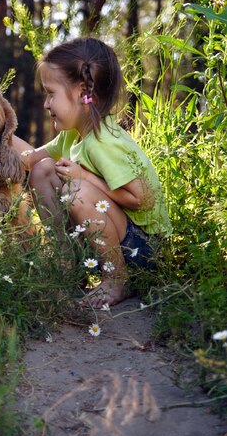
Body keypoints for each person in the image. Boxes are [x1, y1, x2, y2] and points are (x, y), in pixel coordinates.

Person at [13, 37, 171, 307]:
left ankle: (117, 280)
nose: (46, 104)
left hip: (143, 251)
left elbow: (143, 198)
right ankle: (66, 265)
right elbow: (28, 160)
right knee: (43, 170)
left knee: (79, 191)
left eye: (51, 93)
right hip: (112, 242)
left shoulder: (104, 141)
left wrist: (84, 177)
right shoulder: (73, 135)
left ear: (83, 92)